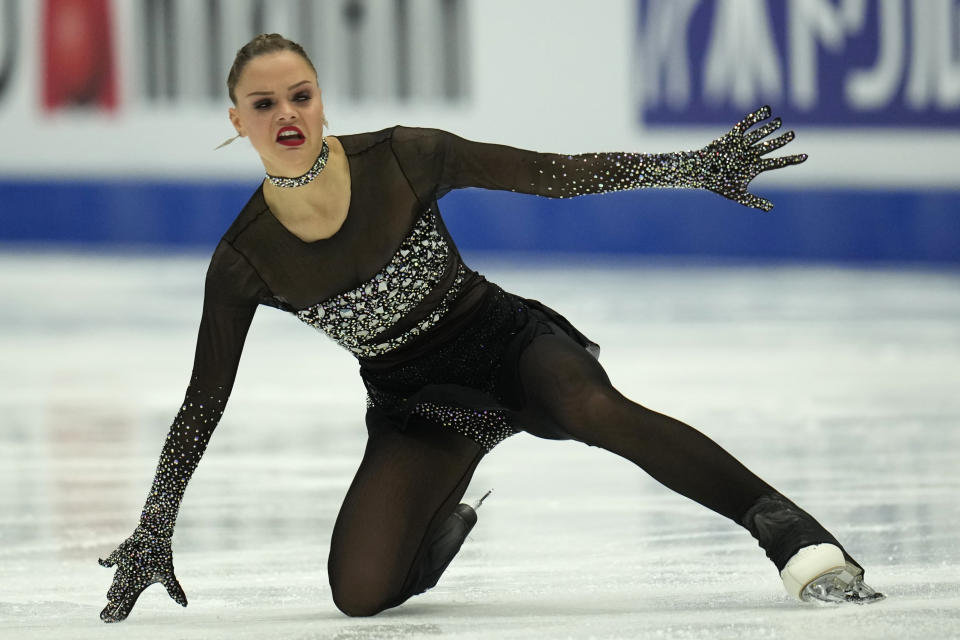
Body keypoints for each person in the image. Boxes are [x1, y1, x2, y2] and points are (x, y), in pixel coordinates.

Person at [99, 33, 883, 622]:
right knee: (361, 595)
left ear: (321, 100)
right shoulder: (245, 261)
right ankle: (441, 521)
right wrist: (154, 524)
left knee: (591, 409)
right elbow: (204, 402)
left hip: (509, 348)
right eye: (264, 105)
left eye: (299, 95)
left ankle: (788, 531)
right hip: (419, 404)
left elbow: (556, 175)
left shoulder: (404, 157)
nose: (287, 114)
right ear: (237, 121)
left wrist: (687, 166)